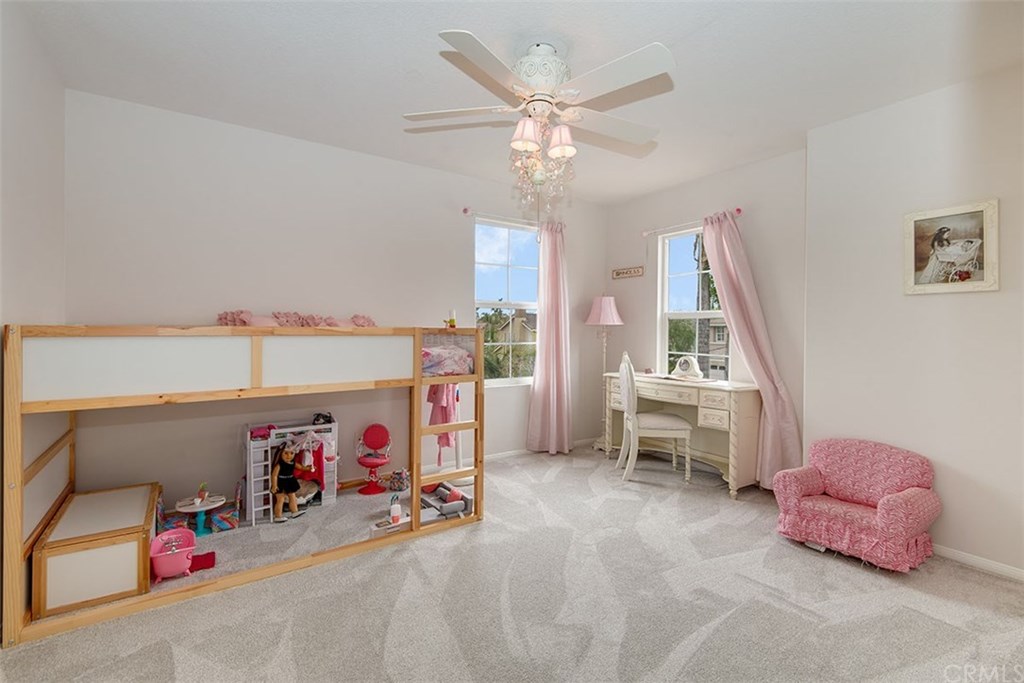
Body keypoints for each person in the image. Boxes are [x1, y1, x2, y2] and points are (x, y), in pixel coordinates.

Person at [271, 444, 306, 523]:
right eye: (286, 453)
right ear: (280, 454)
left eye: (291, 453)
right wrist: (274, 485)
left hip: (289, 481)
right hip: (281, 482)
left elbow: (300, 467)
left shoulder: (292, 463)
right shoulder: (279, 464)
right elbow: (274, 475)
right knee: (280, 499)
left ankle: (294, 511)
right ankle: (278, 516)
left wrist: (308, 468)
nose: (289, 456)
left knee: (292, 496)